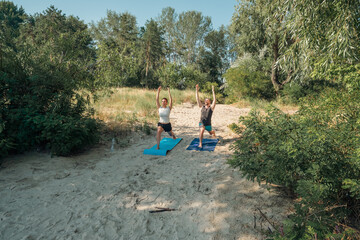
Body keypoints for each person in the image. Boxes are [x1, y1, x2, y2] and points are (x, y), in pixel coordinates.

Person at [195, 84, 216, 148]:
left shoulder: (211, 107)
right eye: (205, 100)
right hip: (202, 122)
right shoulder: (202, 107)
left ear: (209, 101)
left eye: (207, 100)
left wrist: (213, 91)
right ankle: (200, 143)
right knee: (202, 131)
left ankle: (213, 133)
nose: (206, 101)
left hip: (208, 124)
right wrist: (196, 90)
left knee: (211, 132)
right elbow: (197, 99)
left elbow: (215, 100)